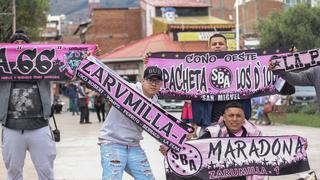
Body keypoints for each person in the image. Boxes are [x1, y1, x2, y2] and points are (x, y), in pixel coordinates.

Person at [1, 30, 56, 180]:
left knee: (46, 173)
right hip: (11, 128)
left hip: (40, 126)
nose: (19, 46)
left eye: (23, 43)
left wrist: (87, 55)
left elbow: (69, 69)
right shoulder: (2, 66)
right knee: (13, 173)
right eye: (15, 43)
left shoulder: (45, 64)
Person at [98, 66, 163, 180]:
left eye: (157, 81)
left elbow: (161, 129)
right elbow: (102, 79)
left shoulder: (155, 106)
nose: (153, 84)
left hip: (134, 146)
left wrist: (169, 146)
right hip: (113, 143)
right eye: (150, 80)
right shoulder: (127, 89)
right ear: (143, 80)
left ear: (161, 84)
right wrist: (91, 60)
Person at [190, 34, 252, 137]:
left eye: (221, 44)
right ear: (209, 48)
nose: (217, 46)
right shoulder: (200, 70)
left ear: (226, 47)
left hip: (236, 126)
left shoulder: (239, 67)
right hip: (209, 125)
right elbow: (194, 95)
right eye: (214, 44)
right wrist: (195, 123)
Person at [197, 101, 263, 180]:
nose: (234, 119)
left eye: (238, 116)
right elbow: (193, 149)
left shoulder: (254, 134)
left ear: (243, 118)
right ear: (224, 118)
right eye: (231, 115)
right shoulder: (214, 133)